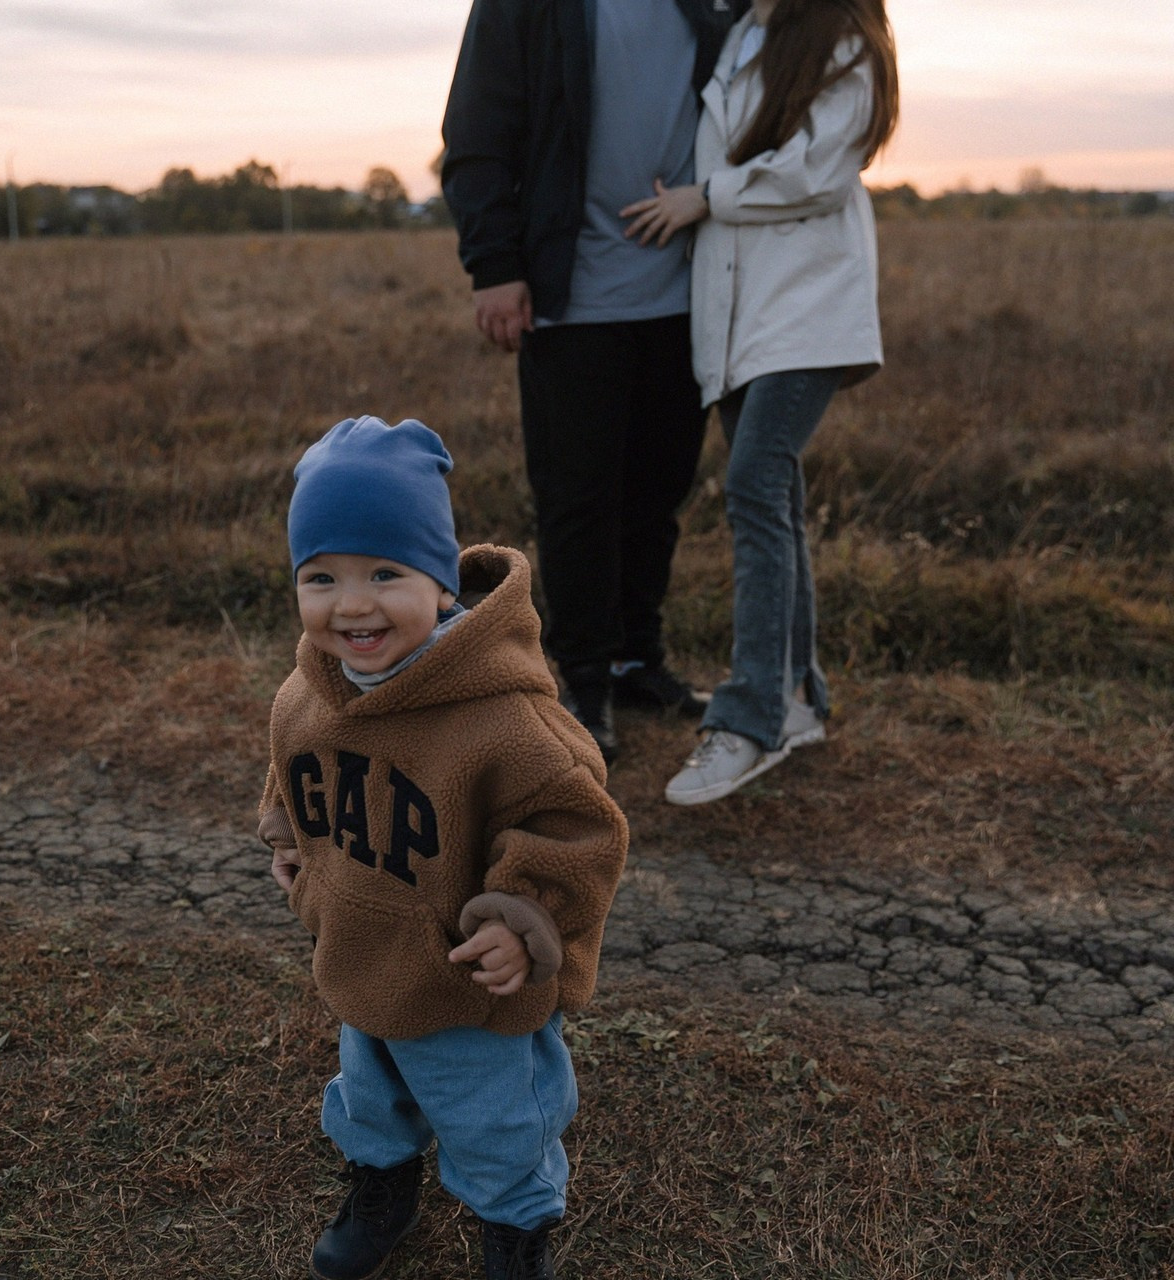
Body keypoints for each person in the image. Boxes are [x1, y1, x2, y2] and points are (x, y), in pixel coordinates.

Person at [257, 416, 628, 1280]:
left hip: (465, 980)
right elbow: (292, 762)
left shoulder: (502, 718)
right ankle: (382, 1184)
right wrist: (287, 827)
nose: (352, 604)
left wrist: (526, 914)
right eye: (322, 578)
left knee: (494, 1119)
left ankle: (516, 1225)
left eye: (386, 573)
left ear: (438, 576)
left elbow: (577, 825)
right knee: (370, 1096)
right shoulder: (308, 692)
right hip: (359, 950)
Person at [440, 0, 744, 764]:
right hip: (570, 299)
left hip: (687, 294)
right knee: (578, 500)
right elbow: (476, 134)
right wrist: (496, 266)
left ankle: (639, 660)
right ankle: (581, 680)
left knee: (660, 488)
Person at [619, 0, 898, 804]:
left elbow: (818, 171)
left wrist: (704, 197)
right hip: (741, 318)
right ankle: (798, 698)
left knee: (752, 486)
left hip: (809, 311)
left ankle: (749, 719)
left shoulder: (844, 38)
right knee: (773, 495)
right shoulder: (739, 33)